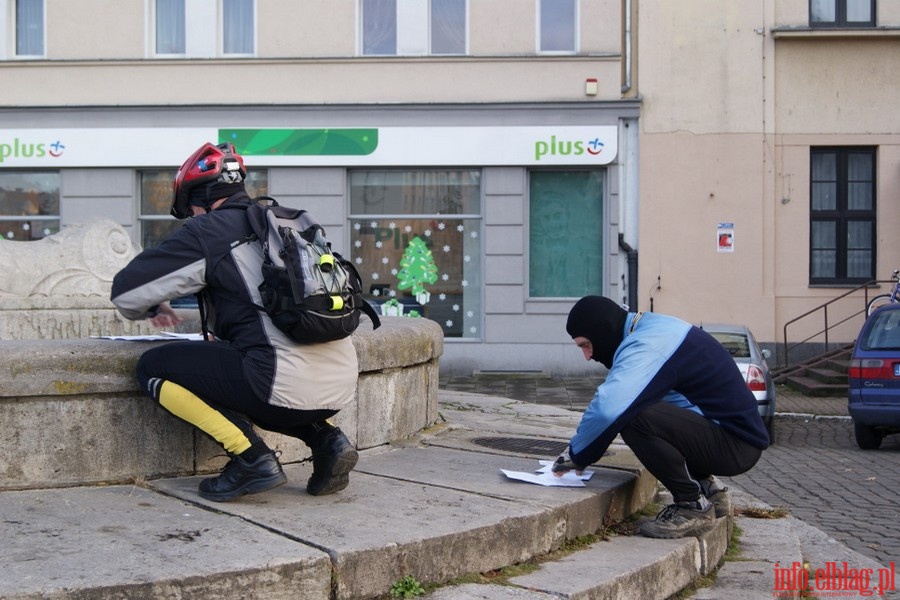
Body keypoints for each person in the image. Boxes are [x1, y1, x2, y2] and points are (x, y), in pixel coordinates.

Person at [111, 142, 359, 502]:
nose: (192, 218)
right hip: (339, 387)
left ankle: (250, 458)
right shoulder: (288, 222)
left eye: (190, 211)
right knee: (247, 365)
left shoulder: (207, 231)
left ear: (199, 202)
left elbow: (126, 292)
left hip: (277, 386)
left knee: (153, 366)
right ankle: (329, 440)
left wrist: (150, 308)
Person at [551, 296, 770, 538]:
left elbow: (608, 407)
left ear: (602, 332)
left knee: (633, 415)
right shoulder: (655, 328)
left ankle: (691, 506)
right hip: (734, 439)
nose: (588, 356)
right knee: (644, 403)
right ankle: (711, 492)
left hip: (733, 445)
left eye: (585, 345)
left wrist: (577, 454)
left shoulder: (648, 343)